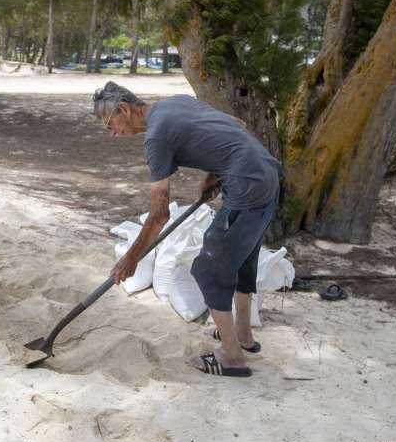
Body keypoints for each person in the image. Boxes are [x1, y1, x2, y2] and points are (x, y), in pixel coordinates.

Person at [93, 81, 281, 377]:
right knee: (243, 260)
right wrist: (213, 176)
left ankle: (232, 357)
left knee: (207, 270)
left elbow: (158, 215)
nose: (112, 133)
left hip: (247, 184)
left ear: (125, 109)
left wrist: (131, 258)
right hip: (267, 175)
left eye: (109, 124)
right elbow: (234, 124)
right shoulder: (174, 103)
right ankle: (243, 336)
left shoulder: (156, 138)